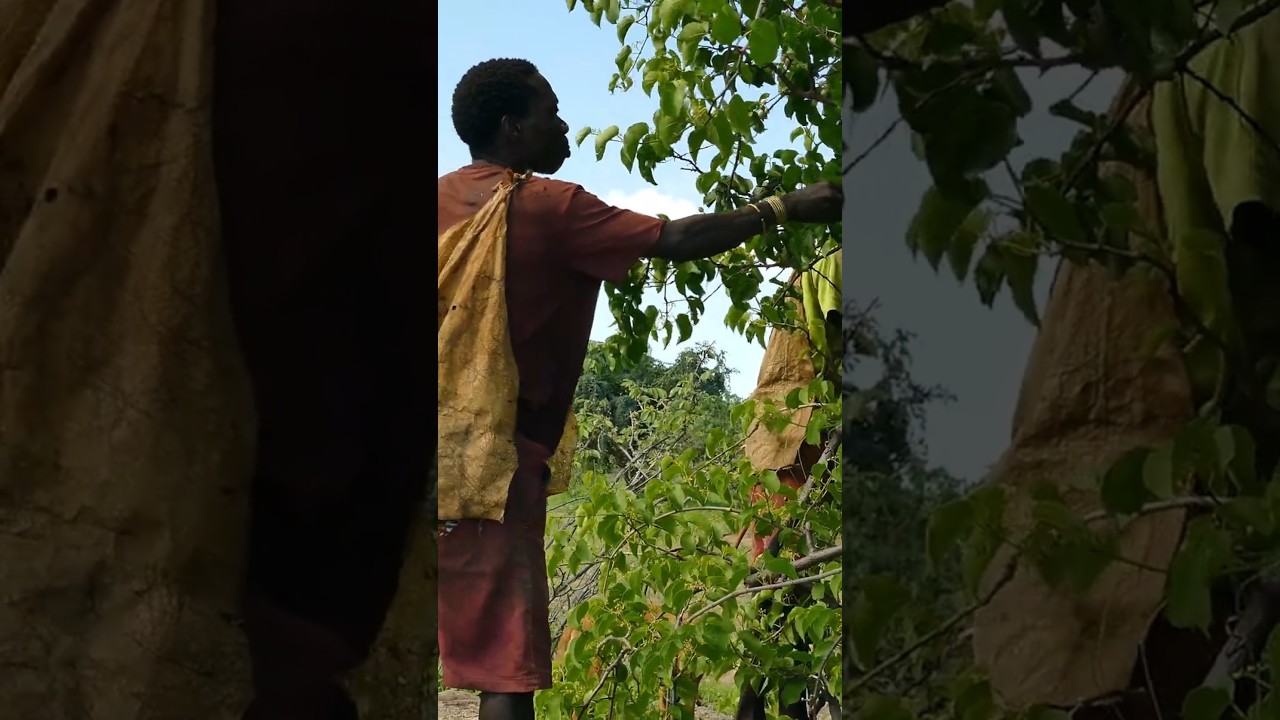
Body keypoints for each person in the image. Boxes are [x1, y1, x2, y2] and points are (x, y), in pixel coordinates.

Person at [436, 57, 843, 720]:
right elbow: (676, 239)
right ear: (512, 127)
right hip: (493, 471)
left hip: (428, 460)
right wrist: (785, 206)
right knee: (504, 674)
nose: (564, 126)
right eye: (550, 113)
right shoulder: (546, 206)